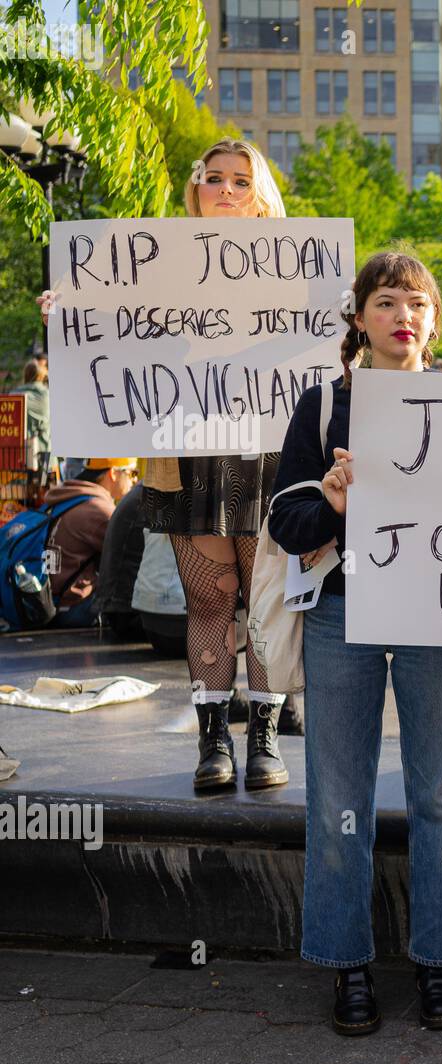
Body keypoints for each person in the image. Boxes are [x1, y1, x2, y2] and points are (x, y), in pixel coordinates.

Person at [269, 250, 442, 1038]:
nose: (404, 316)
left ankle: (439, 959)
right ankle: (346, 962)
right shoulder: (322, 405)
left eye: (418, 303)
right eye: (388, 301)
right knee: (337, 797)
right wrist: (327, 498)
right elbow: (286, 526)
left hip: (438, 617)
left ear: (434, 320)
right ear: (359, 317)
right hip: (342, 617)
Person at [42, 139, 292, 791]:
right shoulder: (156, 259)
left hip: (269, 453)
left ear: (263, 194)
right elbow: (110, 322)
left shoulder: (300, 268)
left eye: (242, 180)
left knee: (264, 603)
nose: (228, 190)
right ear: (196, 189)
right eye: (215, 179)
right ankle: (214, 741)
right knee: (212, 598)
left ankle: (264, 736)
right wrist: (68, 308)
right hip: (191, 451)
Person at [43, 458, 137, 627]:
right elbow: (134, 556)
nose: (134, 481)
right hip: (73, 608)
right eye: (131, 473)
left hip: (46, 602)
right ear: (113, 473)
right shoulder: (99, 510)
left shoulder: (68, 496)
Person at [12, 357, 50, 476]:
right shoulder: (47, 395)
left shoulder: (13, 396)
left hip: (17, 455)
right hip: (45, 454)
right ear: (41, 375)